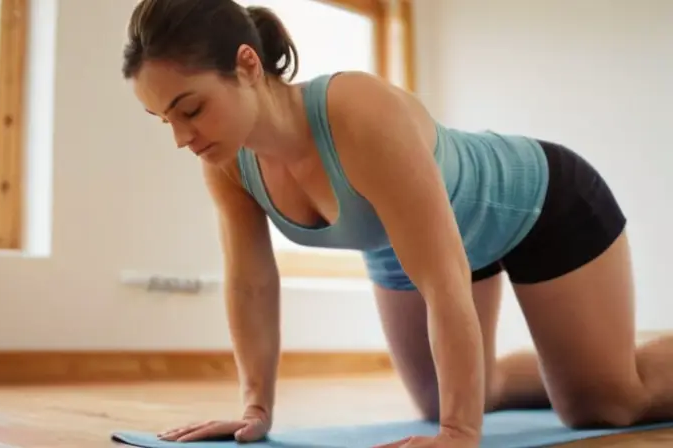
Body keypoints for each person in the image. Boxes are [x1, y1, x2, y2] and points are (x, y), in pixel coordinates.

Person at [120, 0, 673, 447]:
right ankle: (562, 367)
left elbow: (442, 275)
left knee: (606, 405)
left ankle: (592, 373)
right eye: (164, 119)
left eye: (191, 109)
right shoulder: (227, 161)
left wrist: (461, 434)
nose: (181, 137)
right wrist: (255, 409)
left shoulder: (357, 110)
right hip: (413, 246)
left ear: (246, 64)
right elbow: (251, 283)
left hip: (539, 204)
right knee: (444, 398)